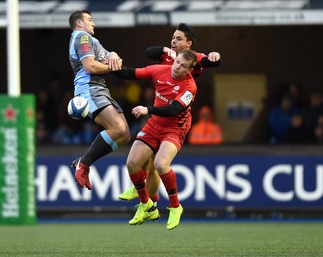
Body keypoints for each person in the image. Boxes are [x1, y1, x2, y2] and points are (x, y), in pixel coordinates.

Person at [118, 23, 221, 205]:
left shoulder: (192, 59)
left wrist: (216, 56)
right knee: (143, 158)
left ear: (188, 44)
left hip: (175, 115)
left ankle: (155, 202)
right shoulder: (167, 56)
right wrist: (164, 49)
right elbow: (149, 52)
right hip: (159, 110)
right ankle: (145, 195)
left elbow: (210, 61)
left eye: (179, 39)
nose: (174, 41)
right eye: (173, 37)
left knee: (156, 163)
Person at [115, 50, 198, 230]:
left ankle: (175, 206)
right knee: (132, 163)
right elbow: (131, 73)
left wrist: (147, 110)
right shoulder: (160, 70)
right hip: (154, 126)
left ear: (189, 71)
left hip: (175, 128)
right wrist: (109, 65)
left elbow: (173, 109)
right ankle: (147, 205)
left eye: (183, 66)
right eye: (177, 62)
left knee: (160, 165)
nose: (177, 67)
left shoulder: (189, 87)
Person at [68, 10, 131, 190]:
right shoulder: (82, 37)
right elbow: (90, 66)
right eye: (89, 20)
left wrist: (113, 54)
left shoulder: (91, 40)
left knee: (125, 135)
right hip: (89, 89)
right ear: (79, 23)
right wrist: (111, 66)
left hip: (100, 89)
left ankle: (83, 161)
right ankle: (84, 164)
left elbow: (109, 57)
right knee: (117, 128)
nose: (93, 23)